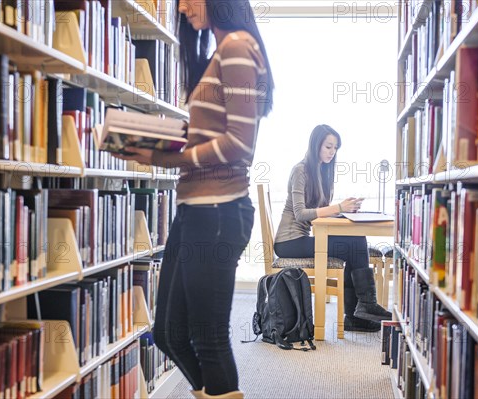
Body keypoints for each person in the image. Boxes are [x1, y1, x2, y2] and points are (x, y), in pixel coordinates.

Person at [115, 1, 273, 398]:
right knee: (167, 332)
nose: (182, 7)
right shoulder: (218, 53)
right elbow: (204, 137)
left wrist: (168, 156)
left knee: (208, 337)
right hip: (194, 211)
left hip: (219, 211)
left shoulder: (237, 46)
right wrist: (148, 142)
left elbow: (239, 144)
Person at [273, 124, 391, 333]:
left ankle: (359, 311)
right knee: (354, 244)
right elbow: (301, 213)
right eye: (328, 146)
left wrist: (345, 210)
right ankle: (361, 309)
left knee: (355, 240)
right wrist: (338, 207)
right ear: (316, 144)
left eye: (335, 148)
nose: (332, 152)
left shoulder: (321, 172)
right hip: (288, 242)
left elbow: (317, 210)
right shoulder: (300, 170)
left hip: (300, 239)